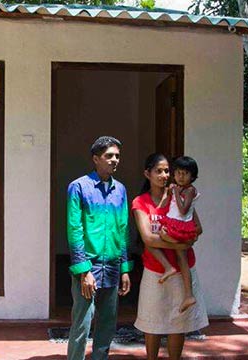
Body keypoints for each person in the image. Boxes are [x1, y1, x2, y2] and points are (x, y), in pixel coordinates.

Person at [132, 153, 208, 360]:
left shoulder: (179, 195)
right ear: (147, 173)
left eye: (167, 171)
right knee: (152, 321)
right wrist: (178, 243)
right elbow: (148, 238)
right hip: (155, 270)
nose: (164, 175)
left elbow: (196, 227)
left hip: (183, 269)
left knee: (178, 323)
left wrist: (184, 240)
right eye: (159, 171)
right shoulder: (141, 202)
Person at [66, 136, 133, 360]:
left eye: (117, 156)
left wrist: (125, 269)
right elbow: (75, 230)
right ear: (96, 159)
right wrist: (84, 270)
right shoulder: (79, 187)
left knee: (107, 324)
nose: (114, 160)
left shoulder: (120, 190)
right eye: (109, 156)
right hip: (89, 266)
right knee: (82, 324)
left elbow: (123, 230)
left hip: (112, 266)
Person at [154, 156, 201, 313]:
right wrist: (169, 195)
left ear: (192, 177)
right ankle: (188, 294)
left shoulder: (189, 190)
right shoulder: (178, 189)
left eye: (185, 173)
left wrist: (175, 191)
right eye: (178, 173)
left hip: (181, 227)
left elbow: (183, 210)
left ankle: (187, 292)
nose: (181, 177)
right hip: (174, 223)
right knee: (182, 259)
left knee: (162, 235)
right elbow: (167, 205)